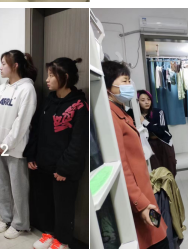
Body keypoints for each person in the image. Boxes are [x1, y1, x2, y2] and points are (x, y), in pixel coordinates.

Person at [102, 60, 168, 249]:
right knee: (157, 240)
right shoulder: (111, 116)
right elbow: (120, 164)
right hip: (138, 199)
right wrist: (141, 203)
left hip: (142, 193)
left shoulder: (121, 112)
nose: (129, 85)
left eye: (129, 80)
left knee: (159, 237)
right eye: (124, 81)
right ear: (108, 87)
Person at [26, 57, 89, 250]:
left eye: (51, 75)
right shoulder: (49, 100)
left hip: (64, 169)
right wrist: (32, 155)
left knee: (63, 207)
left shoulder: (79, 104)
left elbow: (78, 142)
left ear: (65, 77)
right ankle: (48, 234)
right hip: (43, 164)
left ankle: (62, 241)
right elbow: (36, 130)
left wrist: (64, 168)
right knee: (44, 202)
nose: (47, 80)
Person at [0, 50, 37, 240]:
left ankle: (20, 223)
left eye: (4, 63)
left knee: (18, 188)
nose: (0, 67)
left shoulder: (27, 89)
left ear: (15, 66)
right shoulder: (0, 89)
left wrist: (6, 144)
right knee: (0, 185)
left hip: (15, 148)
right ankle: (6, 217)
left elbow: (21, 123)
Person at [136, 90, 177, 177]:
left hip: (163, 143)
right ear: (137, 102)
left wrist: (145, 122)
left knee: (170, 171)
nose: (147, 102)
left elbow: (162, 131)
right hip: (149, 146)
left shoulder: (158, 112)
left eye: (148, 99)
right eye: (143, 100)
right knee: (156, 173)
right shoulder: (135, 116)